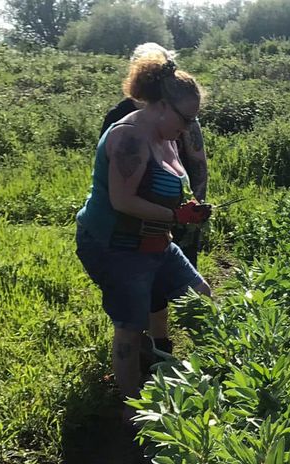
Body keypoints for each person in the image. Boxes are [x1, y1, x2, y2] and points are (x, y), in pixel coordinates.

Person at [75, 52, 212, 425]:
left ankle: (206, 364)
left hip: (155, 240)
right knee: (130, 326)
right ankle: (131, 406)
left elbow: (170, 186)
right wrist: (175, 216)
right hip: (115, 245)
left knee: (202, 293)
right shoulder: (128, 137)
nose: (188, 128)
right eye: (186, 118)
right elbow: (123, 201)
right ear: (162, 105)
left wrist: (190, 206)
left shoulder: (167, 136)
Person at [101, 43, 209, 282]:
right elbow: (115, 184)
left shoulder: (184, 115)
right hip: (133, 224)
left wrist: (196, 204)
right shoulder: (120, 119)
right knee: (143, 289)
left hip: (178, 209)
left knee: (182, 283)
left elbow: (198, 164)